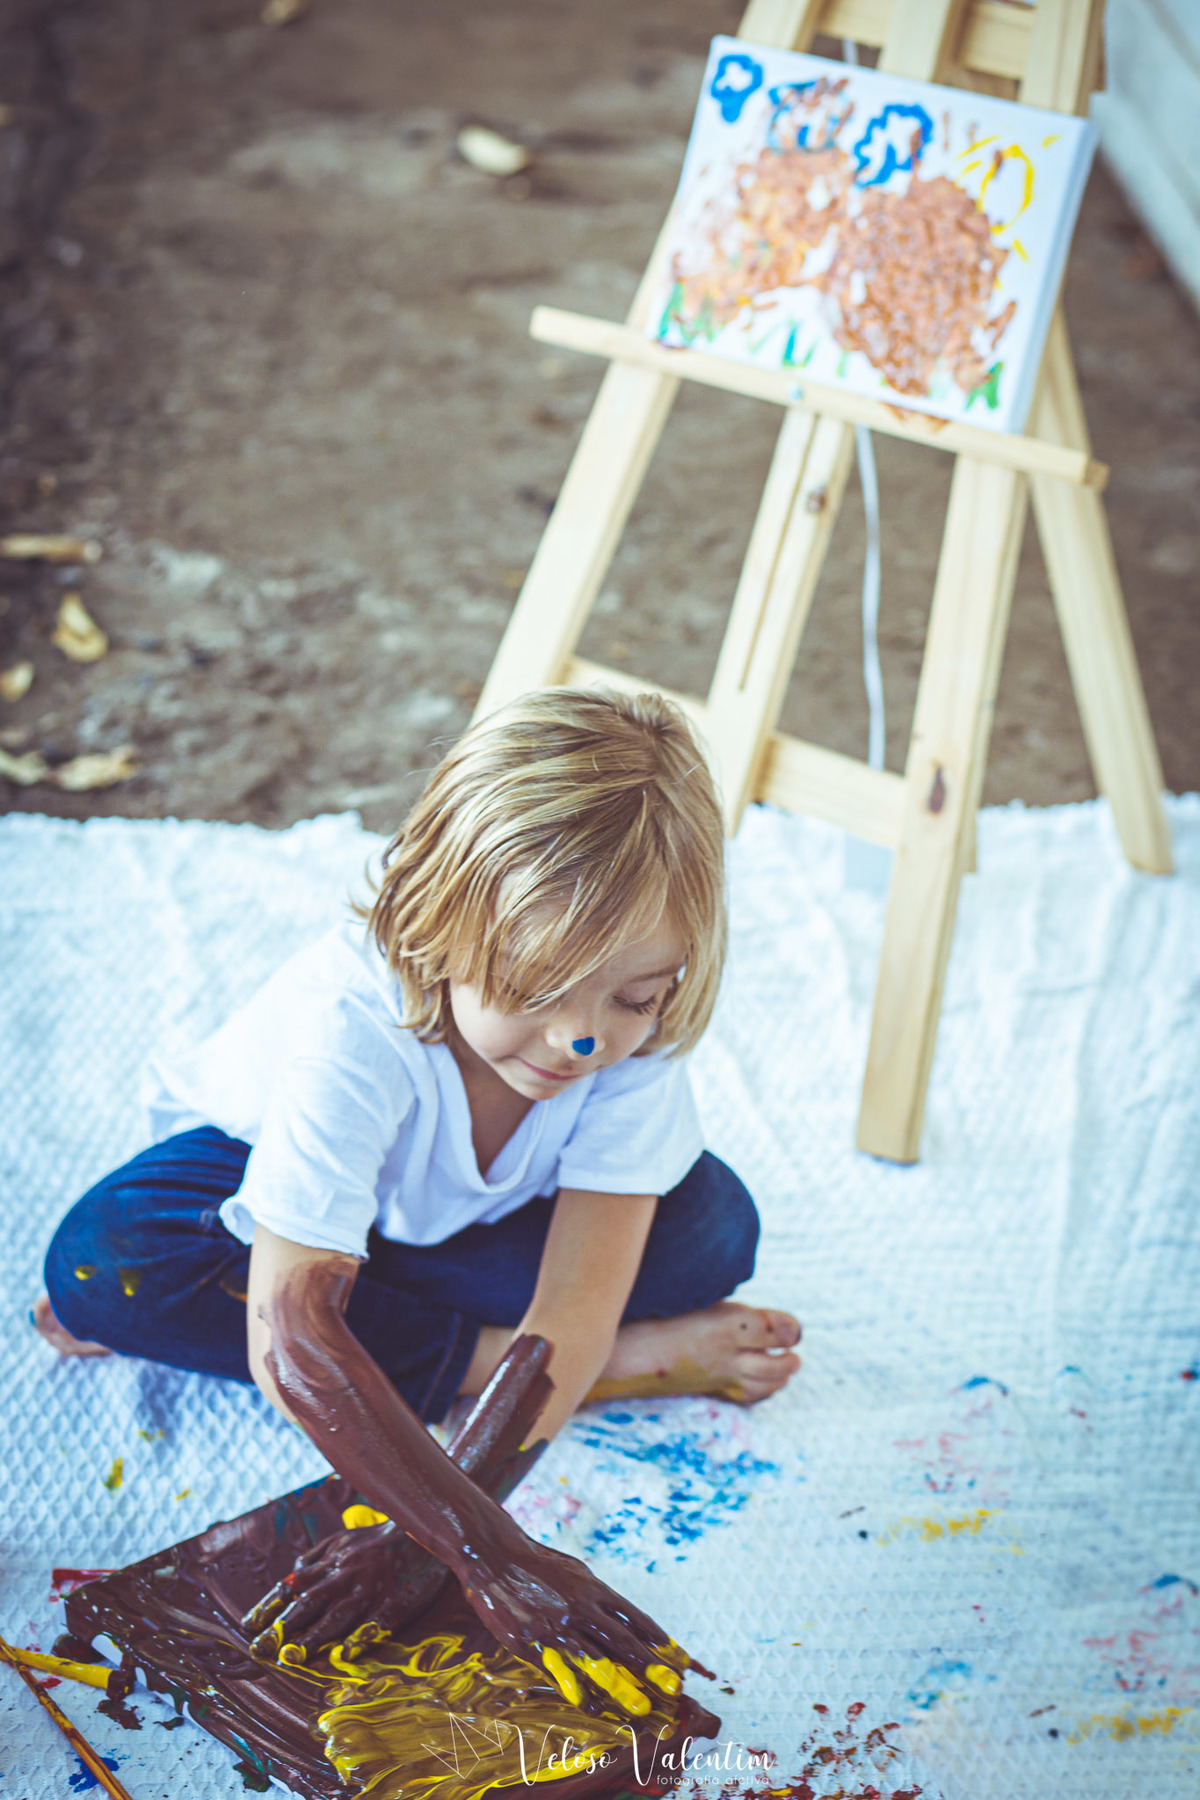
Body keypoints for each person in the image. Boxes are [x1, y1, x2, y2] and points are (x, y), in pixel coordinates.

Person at [36, 687, 801, 1714]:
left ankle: (448, 1351)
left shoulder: (631, 1042)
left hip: (440, 1243)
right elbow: (293, 1339)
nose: (584, 1042)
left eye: (634, 997)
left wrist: (412, 1548)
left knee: (712, 1226)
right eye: (540, 988)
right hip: (264, 1210)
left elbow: (571, 1305)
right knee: (107, 1260)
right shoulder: (359, 1023)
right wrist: (484, 1552)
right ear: (438, 922)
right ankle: (591, 1362)